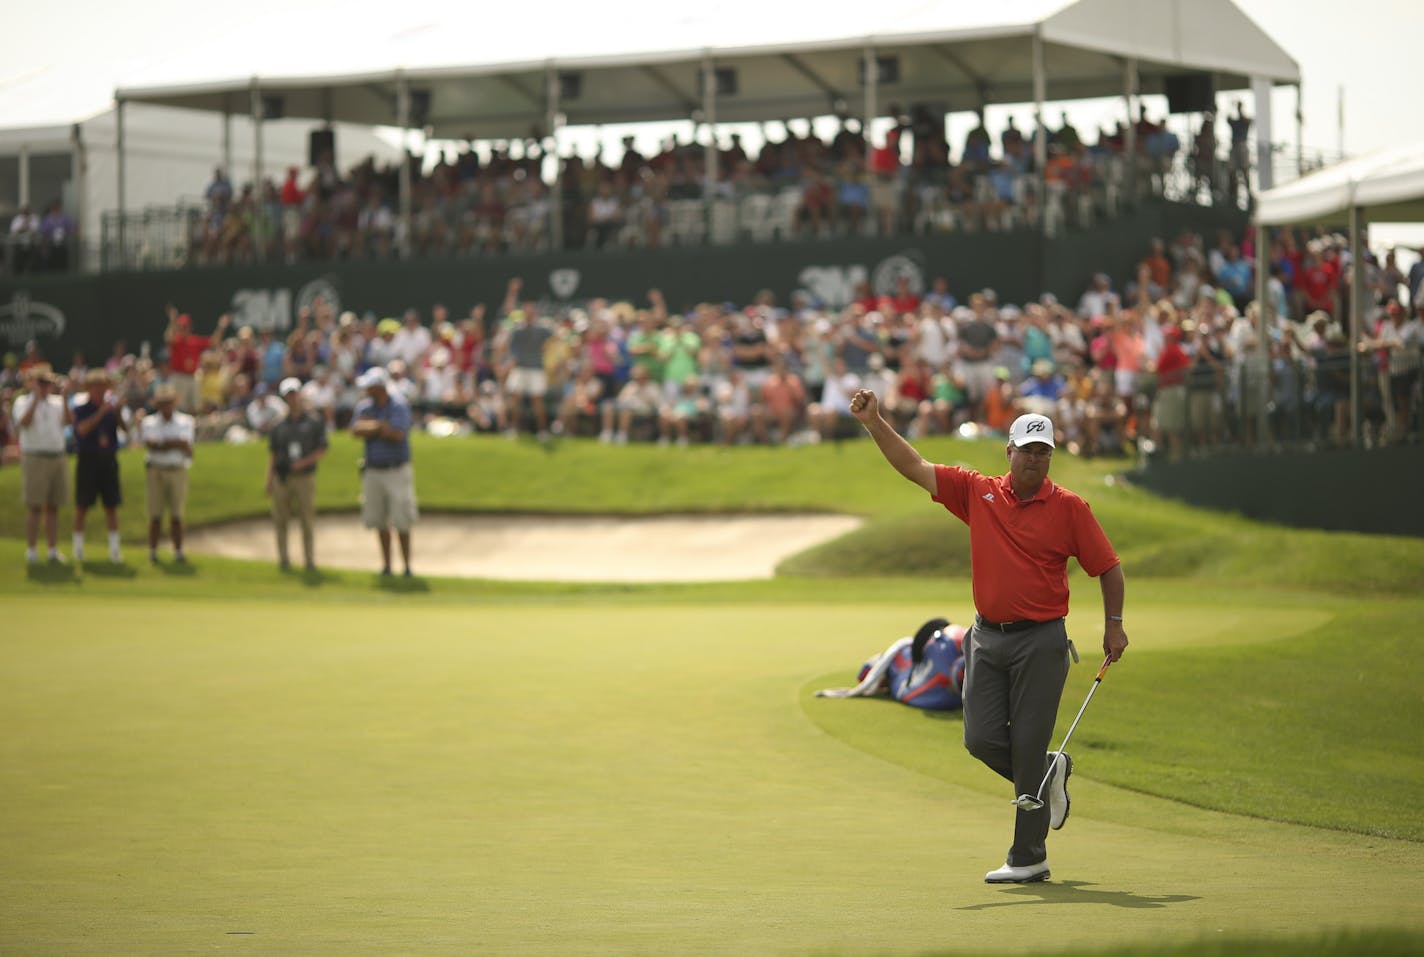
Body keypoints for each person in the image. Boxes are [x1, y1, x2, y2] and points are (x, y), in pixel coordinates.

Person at [847, 394, 1128, 884]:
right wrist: (874, 422)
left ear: (1050, 457)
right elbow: (913, 466)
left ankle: (1028, 855)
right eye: (1027, 450)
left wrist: (1114, 622)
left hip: (1041, 641)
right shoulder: (978, 493)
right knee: (979, 738)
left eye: (1043, 452)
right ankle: (1049, 771)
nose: (1034, 460)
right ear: (1009, 452)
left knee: (1026, 743)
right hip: (985, 638)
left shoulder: (1069, 508)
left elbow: (1108, 568)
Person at [351, 367, 417, 577]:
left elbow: (397, 434)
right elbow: (355, 430)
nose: (366, 390)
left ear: (379, 387)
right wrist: (380, 426)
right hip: (373, 470)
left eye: (369, 387)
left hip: (396, 470)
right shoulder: (364, 407)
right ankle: (387, 566)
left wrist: (372, 428)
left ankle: (406, 567)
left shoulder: (398, 405)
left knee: (402, 521)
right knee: (379, 520)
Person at [266, 377, 328, 572]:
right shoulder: (278, 425)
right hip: (282, 478)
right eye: (288, 396)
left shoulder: (313, 422)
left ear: (300, 395)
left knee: (306, 520)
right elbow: (273, 454)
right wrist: (268, 480)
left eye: (294, 394)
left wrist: (304, 463)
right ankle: (283, 560)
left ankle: (309, 561)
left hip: (304, 477)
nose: (292, 399)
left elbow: (322, 449)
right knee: (280, 520)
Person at [13, 366, 72, 563]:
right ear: (32, 383)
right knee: (35, 506)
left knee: (53, 506)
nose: (45, 386)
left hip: (56, 456)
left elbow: (69, 421)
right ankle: (31, 550)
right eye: (41, 382)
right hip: (35, 457)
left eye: (47, 383)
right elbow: (24, 422)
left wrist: (64, 398)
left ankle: (53, 550)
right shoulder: (23, 401)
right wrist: (36, 400)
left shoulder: (57, 402)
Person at [71, 369, 125, 563]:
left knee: (111, 506)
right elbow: (81, 430)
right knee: (82, 505)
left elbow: (124, 429)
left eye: (103, 386)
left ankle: (115, 551)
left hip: (108, 460)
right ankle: (77, 549)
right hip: (88, 460)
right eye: (96, 386)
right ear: (89, 388)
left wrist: (117, 412)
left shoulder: (112, 410)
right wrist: (102, 412)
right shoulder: (82, 409)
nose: (100, 390)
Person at [140, 383, 196, 564]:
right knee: (155, 514)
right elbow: (151, 445)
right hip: (156, 470)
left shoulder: (186, 421)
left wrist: (163, 444)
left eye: (169, 402)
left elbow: (186, 446)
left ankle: (178, 551)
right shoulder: (149, 422)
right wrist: (173, 443)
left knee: (177, 515)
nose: (166, 407)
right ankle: (153, 551)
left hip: (177, 470)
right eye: (163, 403)